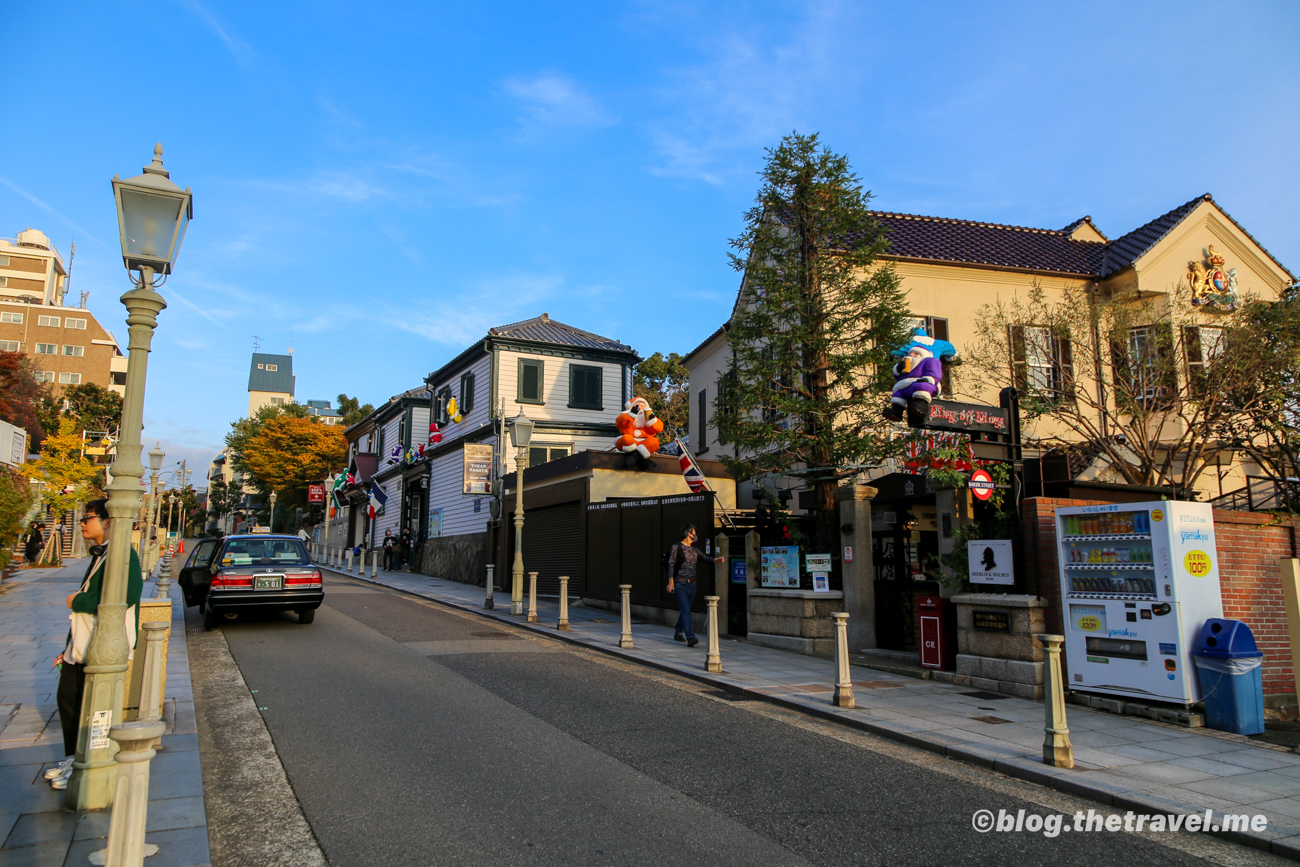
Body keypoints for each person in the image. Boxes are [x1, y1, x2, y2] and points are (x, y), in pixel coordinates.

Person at [46, 498, 144, 790]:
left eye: (87, 518)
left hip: (103, 644)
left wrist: (78, 601)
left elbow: (124, 594)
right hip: (84, 643)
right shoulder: (103, 554)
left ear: (108, 521)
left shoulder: (123, 554)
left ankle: (85, 763)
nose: (83, 524)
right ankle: (74, 758)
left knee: (89, 708)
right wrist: (67, 650)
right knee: (69, 700)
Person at [665, 523, 723, 648]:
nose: (695, 535)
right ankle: (690, 636)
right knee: (686, 610)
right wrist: (671, 582)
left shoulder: (695, 549)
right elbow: (671, 564)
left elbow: (704, 557)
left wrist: (716, 560)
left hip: (692, 584)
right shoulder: (677, 547)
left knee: (686, 609)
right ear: (688, 533)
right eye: (694, 532)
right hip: (680, 583)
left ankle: (678, 632)